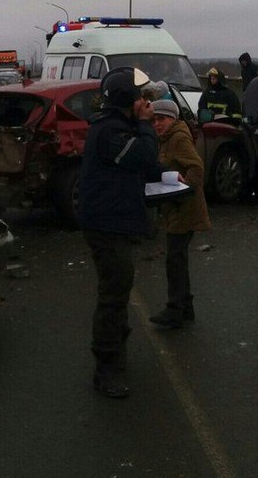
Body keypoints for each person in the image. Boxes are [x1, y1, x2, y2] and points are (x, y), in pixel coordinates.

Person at [78, 66, 162, 397]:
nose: (146, 100)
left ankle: (116, 356)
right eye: (140, 95)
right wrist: (145, 125)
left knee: (119, 289)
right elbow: (140, 155)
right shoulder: (110, 130)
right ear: (129, 99)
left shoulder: (117, 126)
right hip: (106, 224)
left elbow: (148, 165)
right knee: (113, 295)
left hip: (115, 220)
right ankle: (106, 369)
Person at [147, 98, 211, 329]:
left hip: (184, 207)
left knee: (175, 259)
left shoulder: (178, 138)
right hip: (175, 207)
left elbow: (196, 167)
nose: (157, 124)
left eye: (161, 119)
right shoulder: (165, 139)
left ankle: (176, 309)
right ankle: (185, 307)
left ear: (172, 119)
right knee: (178, 259)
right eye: (154, 119)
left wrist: (185, 189)